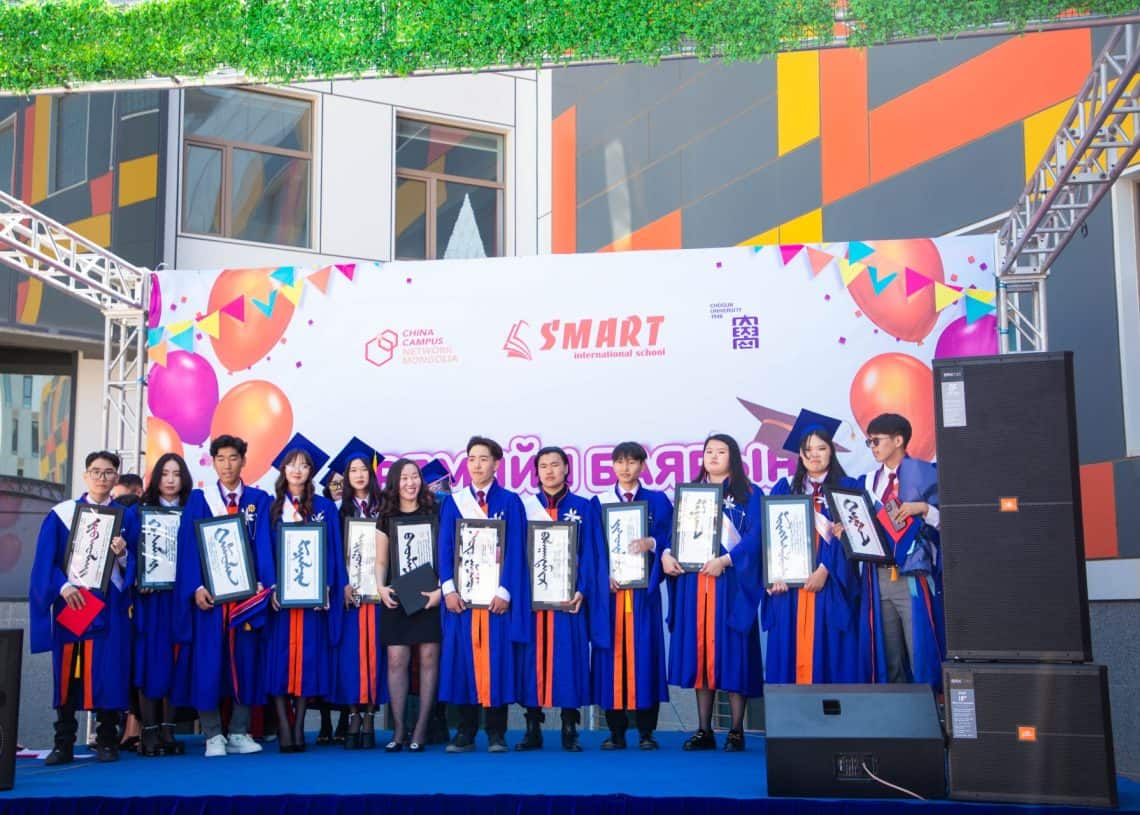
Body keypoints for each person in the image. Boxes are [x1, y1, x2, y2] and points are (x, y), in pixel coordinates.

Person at [29, 450, 138, 764]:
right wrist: (63, 587)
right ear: (85, 475)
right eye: (96, 471)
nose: (102, 478)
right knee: (68, 673)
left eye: (108, 473)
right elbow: (44, 562)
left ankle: (107, 740)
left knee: (109, 671)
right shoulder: (61, 514)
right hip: (74, 604)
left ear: (116, 478)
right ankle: (63, 741)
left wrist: (121, 554)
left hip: (109, 605)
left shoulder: (125, 516)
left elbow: (134, 565)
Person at [174, 434, 273, 758]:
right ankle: (213, 734)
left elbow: (265, 548)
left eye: (233, 458)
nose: (227, 465)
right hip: (212, 602)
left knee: (245, 664)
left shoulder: (259, 500)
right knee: (208, 665)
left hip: (245, 601)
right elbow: (188, 550)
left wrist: (264, 584)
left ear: (243, 461)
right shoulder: (201, 501)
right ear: (213, 462)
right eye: (221, 459)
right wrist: (196, 588)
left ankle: (239, 731)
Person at [663, 434, 764, 752]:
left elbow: (757, 535)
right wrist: (667, 553)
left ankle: (736, 729)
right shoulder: (690, 494)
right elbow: (672, 533)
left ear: (733, 456)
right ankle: (704, 729)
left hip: (732, 583)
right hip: (696, 584)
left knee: (734, 653)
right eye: (709, 451)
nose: (714, 456)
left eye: (721, 451)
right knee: (700, 654)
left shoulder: (750, 493)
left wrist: (726, 559)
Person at [514, 446, 608, 752]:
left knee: (570, 658)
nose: (550, 471)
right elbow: (515, 556)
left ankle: (570, 728)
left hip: (570, 599)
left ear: (567, 469)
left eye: (556, 465)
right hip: (533, 599)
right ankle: (532, 727)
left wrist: (583, 588)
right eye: (543, 466)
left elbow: (592, 553)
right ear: (536, 471)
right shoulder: (524, 508)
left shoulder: (584, 506)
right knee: (531, 659)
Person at [437, 436, 526, 753]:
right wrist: (447, 588)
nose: (476, 465)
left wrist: (505, 590)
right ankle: (464, 731)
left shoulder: (510, 501)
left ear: (497, 463)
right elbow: (445, 548)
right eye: (471, 458)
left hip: (494, 601)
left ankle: (496, 732)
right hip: (461, 600)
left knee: (497, 662)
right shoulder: (454, 501)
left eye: (483, 459)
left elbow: (517, 549)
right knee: (462, 663)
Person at [259, 434, 346, 752]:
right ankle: (283, 724)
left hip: (311, 603)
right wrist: (271, 588)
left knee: (308, 662)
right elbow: (264, 553)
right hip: (281, 602)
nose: (297, 469)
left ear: (311, 471)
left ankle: (298, 726)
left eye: (304, 465)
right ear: (283, 470)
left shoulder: (323, 507)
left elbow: (333, 551)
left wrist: (327, 585)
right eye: (292, 464)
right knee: (280, 662)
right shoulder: (272, 508)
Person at [764, 411, 862, 684]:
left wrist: (825, 570)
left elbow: (852, 536)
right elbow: (770, 538)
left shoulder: (848, 487)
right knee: (790, 649)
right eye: (808, 450)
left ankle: (836, 723)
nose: (814, 455)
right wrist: (774, 576)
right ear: (800, 454)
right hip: (791, 589)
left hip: (831, 586)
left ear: (832, 451)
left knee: (831, 649)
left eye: (821, 448)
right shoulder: (784, 489)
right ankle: (792, 723)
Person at [590, 441, 671, 750]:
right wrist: (602, 578)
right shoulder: (599, 503)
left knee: (646, 657)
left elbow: (671, 537)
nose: (626, 467)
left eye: (632, 462)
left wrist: (653, 541)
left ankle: (647, 731)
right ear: (612, 466)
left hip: (642, 596)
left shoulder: (657, 500)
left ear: (643, 465)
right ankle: (616, 731)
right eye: (620, 462)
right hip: (610, 595)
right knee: (611, 658)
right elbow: (593, 550)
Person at [856, 413, 945, 689]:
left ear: (898, 440)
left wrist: (924, 509)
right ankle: (897, 719)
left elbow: (950, 521)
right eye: (868, 442)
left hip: (912, 576)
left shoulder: (925, 472)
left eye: (876, 441)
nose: (872, 447)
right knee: (888, 652)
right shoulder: (868, 481)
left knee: (919, 648)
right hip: (877, 577)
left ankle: (931, 717)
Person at [376, 458, 443, 752]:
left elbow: (446, 557)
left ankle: (421, 728)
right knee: (396, 661)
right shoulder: (385, 516)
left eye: (414, 477)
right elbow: (380, 561)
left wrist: (441, 590)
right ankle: (400, 728)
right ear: (394, 482)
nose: (410, 483)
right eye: (404, 478)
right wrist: (380, 587)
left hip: (429, 596)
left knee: (429, 660)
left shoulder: (435, 512)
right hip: (397, 596)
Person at [132, 453, 193, 756]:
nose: (170, 480)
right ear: (156, 478)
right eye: (165, 474)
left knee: (177, 661)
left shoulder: (194, 511)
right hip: (152, 600)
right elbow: (129, 554)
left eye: (176, 474)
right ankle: (149, 730)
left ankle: (169, 729)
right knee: (150, 661)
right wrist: (137, 577)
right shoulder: (140, 511)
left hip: (181, 599)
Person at [330, 439, 388, 750]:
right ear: (346, 476)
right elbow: (334, 554)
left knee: (374, 655)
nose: (359, 474)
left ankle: (369, 715)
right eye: (353, 470)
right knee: (352, 656)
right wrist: (342, 583)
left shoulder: (384, 507)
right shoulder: (339, 511)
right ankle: (353, 714)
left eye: (364, 469)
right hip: (351, 597)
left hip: (377, 597)